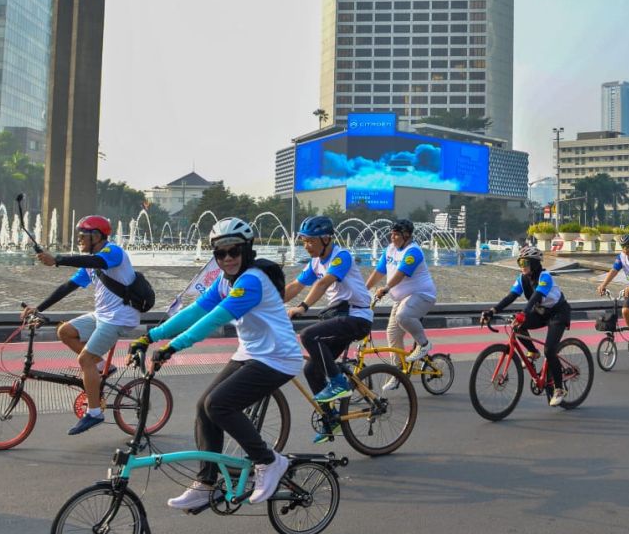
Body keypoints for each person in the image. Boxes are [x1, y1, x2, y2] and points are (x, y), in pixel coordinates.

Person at [132, 218, 301, 510]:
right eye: (219, 254)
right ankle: (205, 483)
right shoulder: (226, 280)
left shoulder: (252, 281)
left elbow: (214, 319)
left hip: (278, 358)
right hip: (250, 354)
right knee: (204, 407)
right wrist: (150, 337)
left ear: (247, 250)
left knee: (219, 404)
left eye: (233, 251)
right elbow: (196, 311)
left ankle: (269, 461)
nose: (227, 259)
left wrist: (172, 347)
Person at [22, 215, 142, 435]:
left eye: (82, 236)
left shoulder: (112, 252)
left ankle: (95, 413)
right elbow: (68, 286)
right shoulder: (90, 264)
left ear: (96, 236)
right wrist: (38, 308)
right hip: (102, 315)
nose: (78, 240)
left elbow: (98, 262)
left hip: (119, 317)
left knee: (83, 359)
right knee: (65, 331)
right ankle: (99, 366)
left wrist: (57, 259)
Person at [283, 216, 374, 443]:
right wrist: (267, 303)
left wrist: (303, 306)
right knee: (311, 369)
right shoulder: (315, 263)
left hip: (357, 317)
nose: (306, 246)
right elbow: (295, 286)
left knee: (308, 335)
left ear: (325, 238)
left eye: (310, 241)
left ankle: (339, 382)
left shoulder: (341, 256)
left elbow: (323, 284)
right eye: (303, 241)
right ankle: (330, 417)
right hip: (339, 319)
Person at [480, 246, 572, 406]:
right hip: (541, 312)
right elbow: (511, 296)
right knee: (517, 325)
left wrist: (524, 313)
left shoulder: (545, 276)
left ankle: (558, 389)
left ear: (535, 263)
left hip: (558, 313)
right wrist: (492, 311)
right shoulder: (522, 278)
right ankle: (532, 351)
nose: (522, 266)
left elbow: (536, 296)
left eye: (525, 262)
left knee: (550, 350)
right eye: (519, 262)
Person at [365, 219, 437, 391]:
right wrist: (363, 290)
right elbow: (378, 272)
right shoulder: (390, 250)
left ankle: (424, 344)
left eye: (396, 235)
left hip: (422, 295)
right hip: (403, 299)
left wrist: (386, 288)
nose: (392, 237)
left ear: (407, 236)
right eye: (392, 234)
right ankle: (397, 374)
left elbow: (400, 274)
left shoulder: (414, 252)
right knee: (392, 334)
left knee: (403, 316)